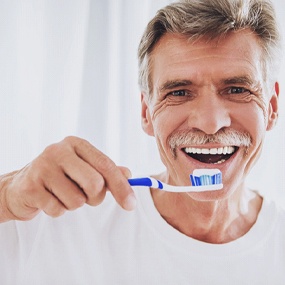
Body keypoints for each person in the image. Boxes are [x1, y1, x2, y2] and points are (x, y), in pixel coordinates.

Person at [0, 0, 284, 284]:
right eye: (180, 92)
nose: (210, 122)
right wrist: (6, 197)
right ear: (146, 112)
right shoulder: (55, 221)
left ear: (271, 107)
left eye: (237, 89)